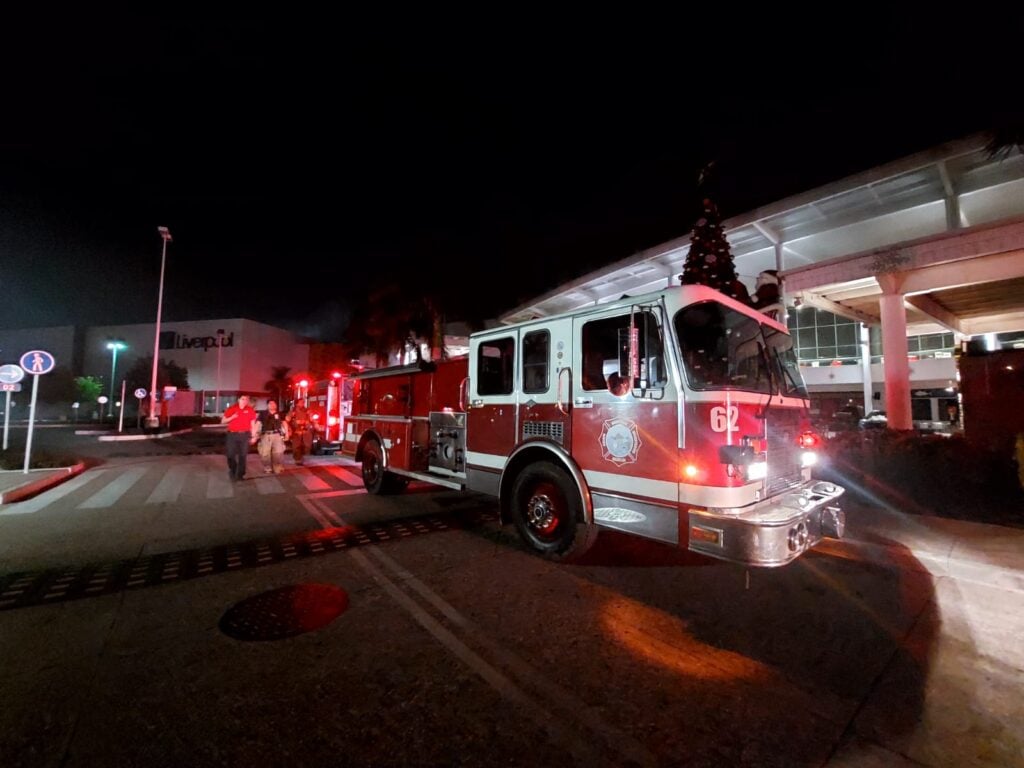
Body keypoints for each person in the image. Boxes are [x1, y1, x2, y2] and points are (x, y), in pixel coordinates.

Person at [221, 394, 257, 481]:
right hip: (232, 435)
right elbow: (223, 421)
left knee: (243, 455)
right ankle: (233, 470)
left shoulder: (250, 410)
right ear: (238, 400)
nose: (245, 401)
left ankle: (240, 474)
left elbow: (253, 424)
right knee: (230, 455)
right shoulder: (232, 408)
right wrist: (232, 417)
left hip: (244, 435)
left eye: (246, 399)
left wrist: (254, 436)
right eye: (243, 399)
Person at [255, 400, 290, 474]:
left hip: (277, 435)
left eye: (274, 403)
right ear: (267, 405)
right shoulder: (263, 413)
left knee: (278, 452)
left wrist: (287, 433)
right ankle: (267, 467)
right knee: (265, 453)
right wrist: (255, 433)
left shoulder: (280, 414)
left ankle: (277, 466)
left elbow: (284, 423)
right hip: (265, 435)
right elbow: (258, 423)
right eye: (270, 403)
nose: (272, 405)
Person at [285, 400, 316, 465]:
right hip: (296, 431)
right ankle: (298, 459)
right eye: (301, 402)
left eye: (303, 402)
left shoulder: (308, 410)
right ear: (297, 404)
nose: (302, 404)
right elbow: (287, 419)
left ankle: (303, 456)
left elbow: (313, 419)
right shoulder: (293, 411)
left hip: (306, 431)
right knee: (296, 446)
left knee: (307, 445)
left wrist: (311, 416)